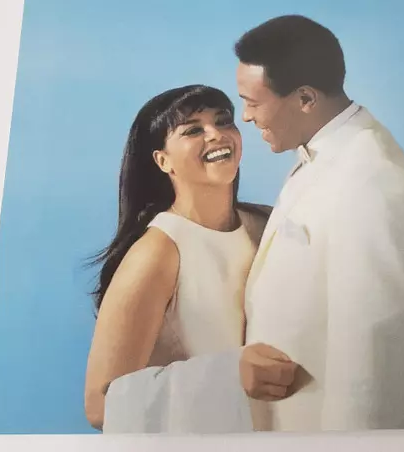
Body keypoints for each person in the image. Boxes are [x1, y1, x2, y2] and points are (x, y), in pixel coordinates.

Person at [235, 15, 404, 431]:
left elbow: (375, 360)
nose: (245, 117)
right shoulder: (326, 150)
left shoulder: (371, 177)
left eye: (252, 102)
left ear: (305, 98)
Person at [84, 85, 279, 433]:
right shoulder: (158, 252)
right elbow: (100, 405)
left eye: (224, 121)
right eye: (192, 130)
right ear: (163, 161)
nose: (216, 134)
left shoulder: (268, 224)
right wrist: (229, 376)